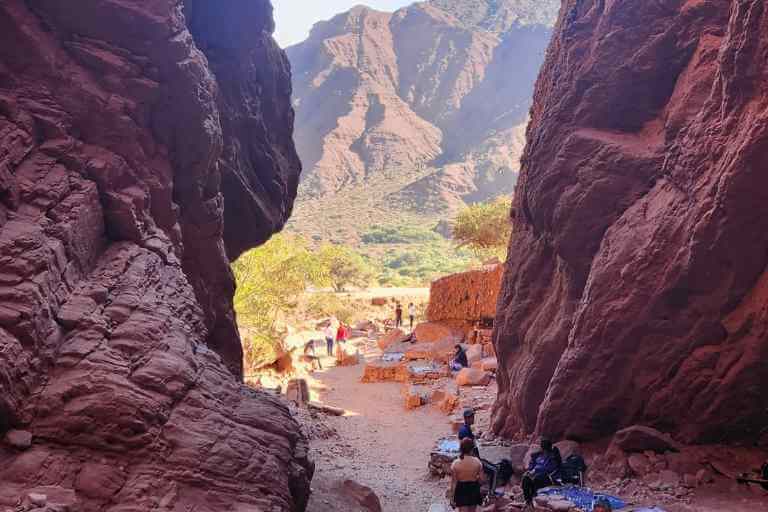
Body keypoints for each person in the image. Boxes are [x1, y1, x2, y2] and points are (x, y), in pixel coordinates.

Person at [522, 438, 562, 506]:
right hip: (535, 475)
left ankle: (534, 498)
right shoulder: (538, 455)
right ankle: (528, 500)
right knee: (525, 478)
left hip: (549, 478)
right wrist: (529, 470)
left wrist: (535, 470)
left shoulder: (553, 457)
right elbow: (532, 464)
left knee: (537, 479)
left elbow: (549, 469)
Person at [450, 438, 484, 511]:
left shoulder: (455, 464)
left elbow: (454, 483)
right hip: (474, 489)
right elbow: (481, 480)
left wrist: (452, 498)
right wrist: (476, 478)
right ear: (472, 449)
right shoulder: (477, 462)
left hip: (461, 490)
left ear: (461, 449)